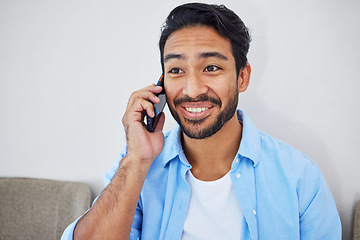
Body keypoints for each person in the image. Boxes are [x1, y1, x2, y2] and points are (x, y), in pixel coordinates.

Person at [62, 3, 341, 240]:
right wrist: (137, 159)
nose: (192, 90)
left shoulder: (300, 177)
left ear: (242, 77)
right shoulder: (134, 168)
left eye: (211, 68)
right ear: (161, 83)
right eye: (176, 70)